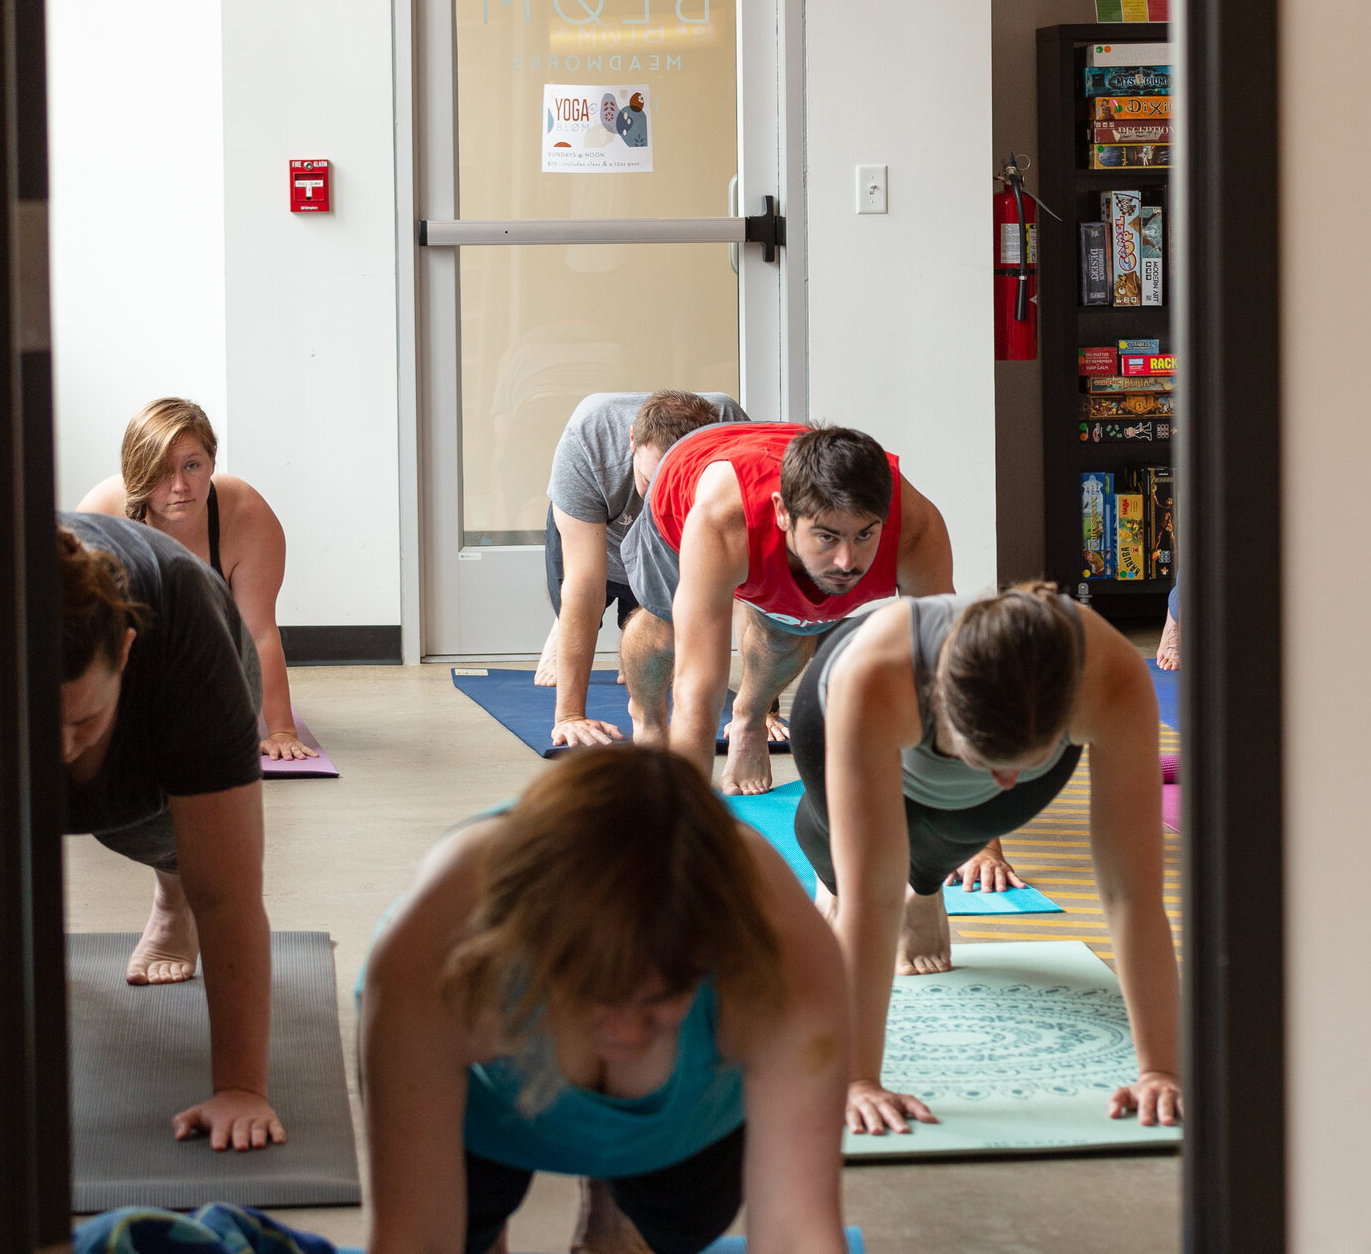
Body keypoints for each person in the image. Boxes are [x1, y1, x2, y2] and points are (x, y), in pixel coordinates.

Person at [359, 746, 849, 1254]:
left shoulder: (784, 954)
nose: (628, 1032)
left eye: (662, 1001)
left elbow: (798, 1233)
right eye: (595, 1000)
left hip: (687, 1112)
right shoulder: (436, 947)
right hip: (489, 1103)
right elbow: (413, 1241)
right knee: (466, 1230)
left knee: (682, 1222)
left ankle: (616, 1204)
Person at [788, 583, 1183, 1137]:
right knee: (849, 861)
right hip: (836, 708)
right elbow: (872, 902)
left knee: (961, 826)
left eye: (1022, 763)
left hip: (989, 734)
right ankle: (831, 862)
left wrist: (1161, 1070)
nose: (1003, 781)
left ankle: (925, 884)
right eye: (986, 760)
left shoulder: (1110, 677)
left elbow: (1131, 892)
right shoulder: (877, 676)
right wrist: (858, 1080)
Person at [59, 517, 286, 1151]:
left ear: (125, 652)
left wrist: (242, 1087)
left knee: (169, 836)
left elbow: (230, 895)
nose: (58, 749)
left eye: (81, 720)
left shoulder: (183, 623)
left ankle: (169, 895)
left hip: (184, 646)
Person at [619, 421, 953, 775]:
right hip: (684, 489)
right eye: (827, 537)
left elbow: (945, 672)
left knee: (788, 630)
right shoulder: (720, 521)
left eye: (864, 535)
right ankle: (647, 719)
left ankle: (750, 719)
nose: (846, 562)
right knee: (666, 630)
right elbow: (698, 689)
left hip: (765, 491)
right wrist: (688, 818)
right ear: (783, 513)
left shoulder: (916, 529)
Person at [77, 398, 311, 762]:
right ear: (135, 473)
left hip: (210, 656)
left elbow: (259, 632)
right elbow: (77, 627)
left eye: (192, 466)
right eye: (159, 472)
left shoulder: (248, 518)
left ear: (212, 462)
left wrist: (281, 730)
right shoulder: (101, 514)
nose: (180, 486)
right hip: (129, 652)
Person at [533, 390, 748, 758]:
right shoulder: (589, 438)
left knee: (656, 638)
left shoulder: (729, 433)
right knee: (579, 596)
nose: (659, 496)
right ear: (633, 439)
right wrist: (570, 715)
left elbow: (749, 585)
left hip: (675, 534)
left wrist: (758, 713)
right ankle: (560, 629)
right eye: (652, 480)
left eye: (678, 480)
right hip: (602, 532)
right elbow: (585, 586)